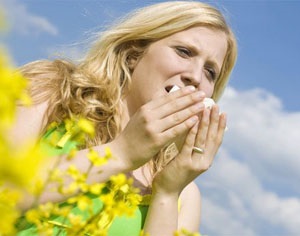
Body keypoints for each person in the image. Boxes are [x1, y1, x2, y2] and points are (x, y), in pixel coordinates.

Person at [11, 1, 237, 235]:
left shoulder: (185, 194)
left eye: (210, 72)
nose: (196, 77)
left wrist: (168, 193)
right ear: (133, 52)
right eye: (184, 52)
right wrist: (122, 153)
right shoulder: (50, 91)